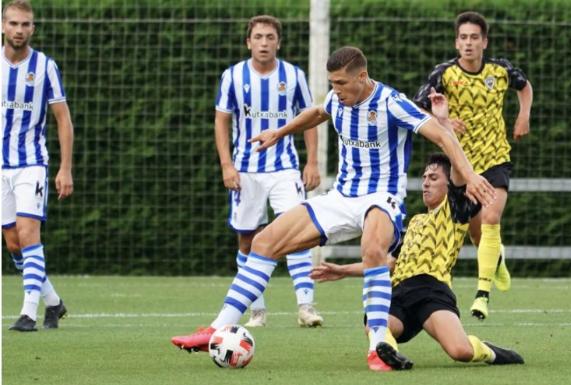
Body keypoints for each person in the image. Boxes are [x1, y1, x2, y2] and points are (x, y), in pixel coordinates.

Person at [171, 46, 496, 371]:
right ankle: (216, 328)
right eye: (332, 83)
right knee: (264, 243)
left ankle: (378, 346)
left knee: (373, 249)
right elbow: (316, 113)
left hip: (381, 199)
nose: (335, 90)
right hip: (340, 198)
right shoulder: (337, 99)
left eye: (341, 83)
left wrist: (468, 176)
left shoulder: (390, 103)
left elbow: (441, 134)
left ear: (362, 77)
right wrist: (280, 132)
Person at [311, 153, 524, 368]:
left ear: (449, 184)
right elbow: (388, 264)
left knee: (460, 351)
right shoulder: (413, 222)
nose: (425, 183)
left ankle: (490, 352)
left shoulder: (454, 209)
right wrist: (343, 270)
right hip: (399, 293)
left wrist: (446, 133)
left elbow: (458, 173)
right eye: (424, 178)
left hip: (432, 291)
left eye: (433, 178)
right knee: (375, 326)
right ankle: (391, 354)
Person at [414, 11, 534, 320]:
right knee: (478, 233)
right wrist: (444, 120)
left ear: (484, 41)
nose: (469, 43)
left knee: (492, 215)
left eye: (474, 37)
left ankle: (482, 296)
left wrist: (524, 115)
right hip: (461, 164)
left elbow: (525, 86)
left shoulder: (500, 70)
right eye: (463, 37)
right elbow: (417, 106)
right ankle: (497, 259)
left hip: (495, 158)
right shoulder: (444, 74)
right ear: (457, 42)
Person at [214, 15, 322, 328]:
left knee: (297, 232)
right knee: (247, 239)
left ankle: (306, 306)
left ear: (278, 42)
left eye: (270, 37)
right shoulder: (232, 76)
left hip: (284, 169)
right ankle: (256, 310)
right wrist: (226, 165)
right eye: (258, 37)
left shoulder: (293, 75)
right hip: (245, 171)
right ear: (249, 42)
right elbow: (221, 120)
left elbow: (309, 118)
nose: (264, 43)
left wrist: (312, 161)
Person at [1, 0, 74, 331]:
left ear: (33, 28)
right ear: (3, 26)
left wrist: (65, 168)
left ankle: (29, 312)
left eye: (25, 24)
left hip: (32, 163)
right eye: (13, 23)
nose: (19, 30)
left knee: (29, 233)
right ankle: (54, 303)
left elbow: (63, 119)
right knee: (13, 242)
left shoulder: (45, 66)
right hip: (1, 167)